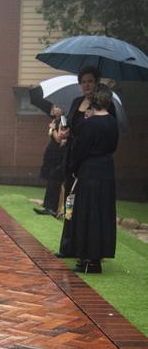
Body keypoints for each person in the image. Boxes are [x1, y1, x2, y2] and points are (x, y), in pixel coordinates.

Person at [60, 84, 118, 274]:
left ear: (93, 101)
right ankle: (96, 257)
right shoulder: (112, 122)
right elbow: (114, 146)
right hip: (107, 171)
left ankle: (87, 259)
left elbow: (79, 150)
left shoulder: (88, 124)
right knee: (102, 213)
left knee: (87, 213)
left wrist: (74, 169)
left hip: (89, 170)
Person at [58, 65, 101, 256]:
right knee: (70, 202)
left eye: (90, 81)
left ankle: (86, 249)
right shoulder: (76, 103)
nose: (86, 85)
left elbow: (107, 131)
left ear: (96, 82)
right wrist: (65, 132)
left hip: (90, 162)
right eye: (83, 82)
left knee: (86, 206)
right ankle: (68, 247)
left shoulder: (102, 105)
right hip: (72, 157)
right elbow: (71, 127)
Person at [34, 104, 68, 217]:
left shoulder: (63, 120)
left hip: (58, 154)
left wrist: (53, 128)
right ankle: (48, 206)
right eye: (54, 106)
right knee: (51, 179)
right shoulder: (55, 120)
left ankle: (55, 208)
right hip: (52, 152)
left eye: (57, 106)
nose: (54, 108)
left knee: (56, 180)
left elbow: (59, 138)